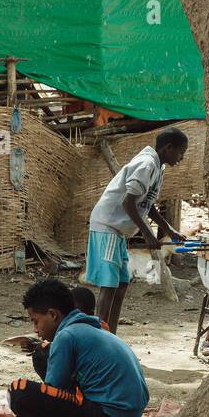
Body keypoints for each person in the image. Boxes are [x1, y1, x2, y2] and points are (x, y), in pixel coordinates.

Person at [0, 279, 149, 417]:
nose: (35, 330)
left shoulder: (66, 336)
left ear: (52, 314)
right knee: (42, 355)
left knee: (19, 392)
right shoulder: (90, 328)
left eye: (36, 321)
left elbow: (46, 404)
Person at [86, 127, 189, 333]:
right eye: (181, 152)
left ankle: (111, 336)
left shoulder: (159, 167)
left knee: (121, 285)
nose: (182, 157)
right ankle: (100, 338)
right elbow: (128, 203)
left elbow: (147, 204)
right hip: (108, 227)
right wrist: (148, 235)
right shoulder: (147, 164)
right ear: (169, 148)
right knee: (109, 286)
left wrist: (169, 229)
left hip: (118, 232)